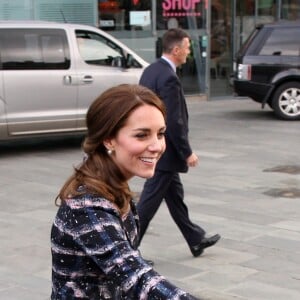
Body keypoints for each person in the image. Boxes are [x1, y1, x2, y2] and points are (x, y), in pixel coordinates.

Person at [51, 84, 201, 299]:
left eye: (160, 134)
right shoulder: (87, 207)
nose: (157, 146)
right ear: (109, 139)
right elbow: (134, 276)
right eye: (141, 135)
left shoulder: (109, 182)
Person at [137, 28, 221, 258]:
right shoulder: (168, 78)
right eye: (187, 47)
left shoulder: (151, 71)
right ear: (176, 50)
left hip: (157, 148)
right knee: (148, 203)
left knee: (175, 197)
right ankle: (128, 250)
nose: (188, 52)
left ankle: (195, 239)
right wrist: (187, 152)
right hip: (165, 151)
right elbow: (173, 121)